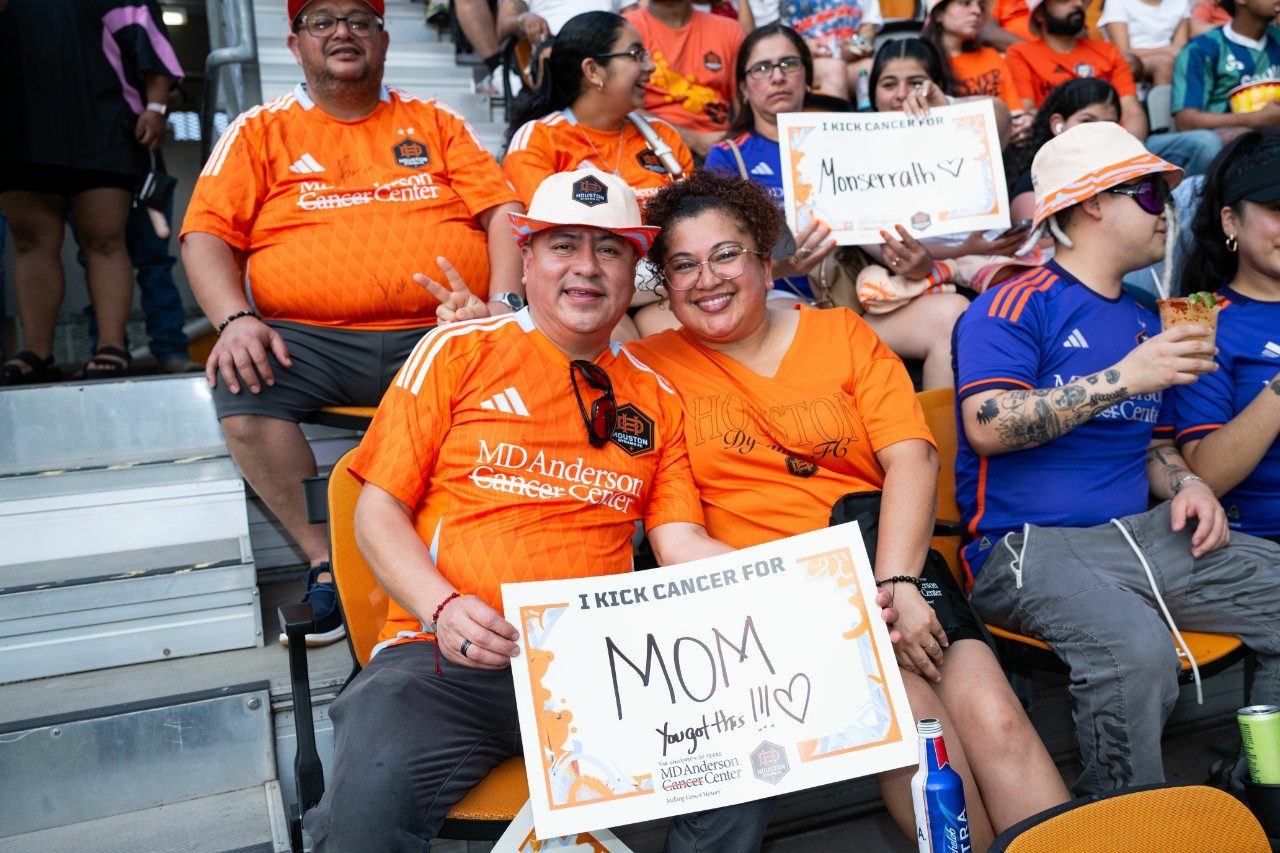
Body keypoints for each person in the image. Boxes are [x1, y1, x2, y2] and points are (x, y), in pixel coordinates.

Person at [302, 169, 780, 851]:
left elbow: (679, 541)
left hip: (601, 669)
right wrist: (441, 608)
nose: (586, 267)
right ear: (526, 259)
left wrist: (800, 581)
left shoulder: (657, 396)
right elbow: (375, 509)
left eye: (610, 249)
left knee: (738, 769)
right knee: (363, 811)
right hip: (442, 662)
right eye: (563, 245)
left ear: (634, 268)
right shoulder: (456, 352)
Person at [626, 171, 1071, 851]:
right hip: (769, 598)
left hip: (888, 559)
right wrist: (839, 598)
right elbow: (679, 539)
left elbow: (912, 460)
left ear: (764, 261)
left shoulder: (840, 333)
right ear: (662, 279)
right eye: (681, 263)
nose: (705, 277)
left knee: (996, 716)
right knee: (922, 731)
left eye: (725, 254)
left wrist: (891, 584)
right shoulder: (649, 368)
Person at [178, 0, 523, 647]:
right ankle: (326, 562)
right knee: (240, 383)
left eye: (360, 20)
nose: (343, 32)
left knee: (519, 369)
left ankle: (474, 544)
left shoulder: (437, 120)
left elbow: (505, 211)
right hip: (312, 339)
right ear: (295, 42)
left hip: (442, 331)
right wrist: (235, 318)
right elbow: (203, 235)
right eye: (323, 21)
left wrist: (502, 302)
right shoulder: (261, 130)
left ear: (384, 38)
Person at [953, 120, 1280, 794]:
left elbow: (1156, 444)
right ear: (1094, 202)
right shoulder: (1011, 303)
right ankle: (1123, 819)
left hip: (1136, 538)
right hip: (1025, 549)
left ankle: (1263, 780)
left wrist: (1188, 482)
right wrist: (1126, 376)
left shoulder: (1144, 312)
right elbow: (987, 424)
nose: (1169, 209)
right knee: (1136, 654)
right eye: (1153, 195)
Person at [0, 0, 182, 383]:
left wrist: (155, 106)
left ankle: (111, 346)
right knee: (30, 241)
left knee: (104, 238)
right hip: (20, 117)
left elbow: (144, 31)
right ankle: (36, 351)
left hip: (99, 118)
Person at [503, 11, 694, 340]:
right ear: (593, 71)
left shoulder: (663, 138)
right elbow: (556, 235)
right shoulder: (538, 138)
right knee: (616, 344)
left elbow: (691, 223)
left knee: (689, 350)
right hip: (585, 289)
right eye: (636, 54)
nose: (649, 66)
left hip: (662, 289)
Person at [858, 39, 1029, 388]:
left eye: (916, 83)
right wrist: (970, 250)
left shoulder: (964, 131)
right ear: (873, 93)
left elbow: (1000, 117)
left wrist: (948, 108)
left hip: (983, 269)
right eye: (889, 84)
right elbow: (891, 255)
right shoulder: (854, 154)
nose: (902, 95)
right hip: (908, 292)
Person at [1177, 129, 1280, 540]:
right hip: (1256, 549)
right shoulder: (1198, 319)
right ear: (1230, 221)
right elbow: (1208, 475)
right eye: (1278, 207)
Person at [1007, 0, 1223, 174]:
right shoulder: (1020, 54)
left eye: (1079, 0)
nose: (1076, 4)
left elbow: (1133, 113)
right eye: (1064, 1)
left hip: (1121, 146)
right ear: (1040, 14)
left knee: (1205, 143)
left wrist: (1123, 153)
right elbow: (1028, 114)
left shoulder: (1107, 51)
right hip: (1061, 150)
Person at [626, 0, 745, 157]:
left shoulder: (729, 30)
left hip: (719, 147)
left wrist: (735, 143)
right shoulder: (626, 29)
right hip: (649, 145)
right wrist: (693, 140)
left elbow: (745, 105)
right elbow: (618, 106)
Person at [923, 0, 1030, 142]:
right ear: (938, 14)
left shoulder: (991, 56)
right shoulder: (924, 62)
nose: (977, 11)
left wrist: (1024, 124)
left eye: (980, 5)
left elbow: (1015, 112)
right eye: (965, 3)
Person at [1172, 0, 1280, 139]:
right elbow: (1186, 122)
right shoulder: (1201, 49)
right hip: (1233, 147)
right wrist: (1255, 119)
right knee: (1243, 137)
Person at [782, 0, 883, 101]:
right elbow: (777, 35)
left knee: (875, 69)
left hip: (852, 61)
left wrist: (856, 46)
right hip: (806, 63)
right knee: (835, 70)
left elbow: (868, 27)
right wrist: (803, 46)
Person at [1098, 0, 1190, 86]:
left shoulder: (1180, 2)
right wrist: (1166, 50)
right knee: (1164, 63)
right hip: (1129, 62)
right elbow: (1122, 52)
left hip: (1170, 58)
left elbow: (1180, 48)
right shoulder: (1116, 2)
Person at [497, 0, 633, 47]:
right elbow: (503, 25)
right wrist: (524, 19)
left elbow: (634, 20)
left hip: (610, 47)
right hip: (555, 47)